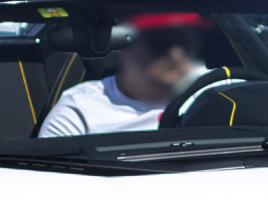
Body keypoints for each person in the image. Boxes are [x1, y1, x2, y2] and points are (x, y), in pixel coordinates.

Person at [39, 13, 209, 136]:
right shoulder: (80, 108)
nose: (176, 54)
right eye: (161, 42)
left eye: (185, 42)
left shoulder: (213, 90)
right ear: (124, 46)